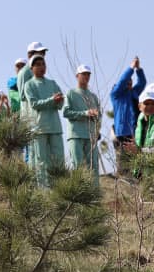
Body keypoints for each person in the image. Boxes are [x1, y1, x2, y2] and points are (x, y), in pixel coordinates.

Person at [21, 54, 66, 186]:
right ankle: (42, 189)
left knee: (58, 159)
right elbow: (35, 104)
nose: (41, 67)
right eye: (38, 64)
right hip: (39, 128)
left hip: (55, 127)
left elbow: (60, 104)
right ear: (32, 68)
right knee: (41, 160)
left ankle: (58, 188)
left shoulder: (52, 83)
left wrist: (58, 100)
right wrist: (52, 100)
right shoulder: (29, 85)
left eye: (43, 64)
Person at [63, 64, 102, 180]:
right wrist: (85, 113)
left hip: (91, 137)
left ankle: (94, 194)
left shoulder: (93, 96)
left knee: (94, 166)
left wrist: (96, 123)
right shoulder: (71, 93)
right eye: (83, 74)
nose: (86, 76)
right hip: (75, 135)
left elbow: (99, 116)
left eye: (88, 74)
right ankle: (79, 195)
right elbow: (66, 113)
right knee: (78, 167)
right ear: (77, 76)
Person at [110, 56, 147, 174]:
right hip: (123, 134)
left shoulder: (134, 93)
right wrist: (131, 67)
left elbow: (142, 83)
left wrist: (138, 69)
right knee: (124, 166)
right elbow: (122, 81)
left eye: (131, 81)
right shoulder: (116, 95)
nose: (130, 83)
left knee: (137, 166)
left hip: (135, 133)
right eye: (128, 82)